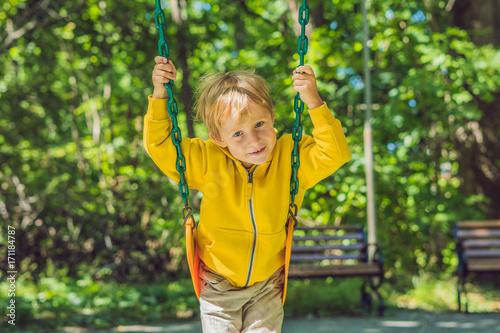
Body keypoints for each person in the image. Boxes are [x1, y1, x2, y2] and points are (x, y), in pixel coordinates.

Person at [144, 56, 351, 333]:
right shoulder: (207, 160)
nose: (254, 140)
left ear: (272, 118)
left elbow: (334, 153)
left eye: (259, 125)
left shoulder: (290, 158)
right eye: (238, 133)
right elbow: (159, 144)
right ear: (220, 138)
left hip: (266, 284)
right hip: (218, 284)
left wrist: (313, 101)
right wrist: (159, 94)